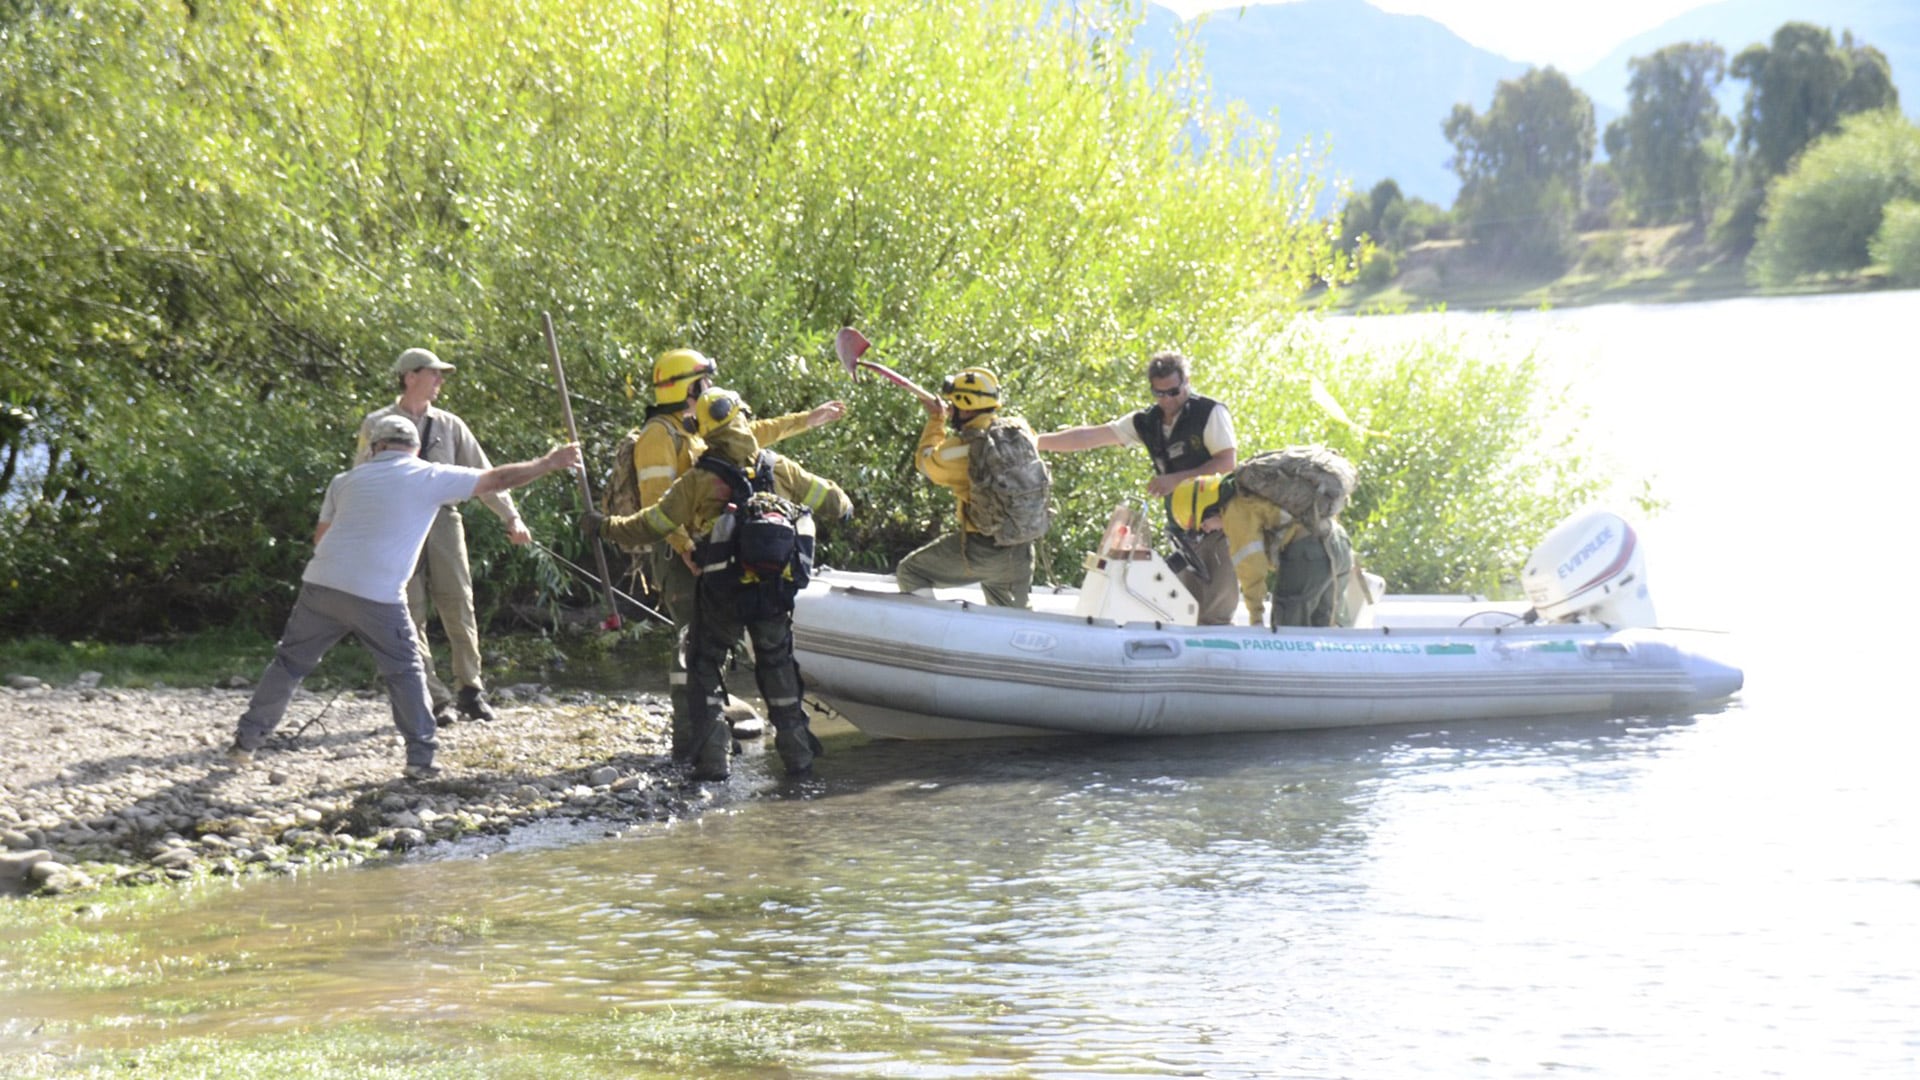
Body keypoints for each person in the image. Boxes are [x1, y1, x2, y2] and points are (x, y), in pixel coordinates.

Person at [230, 415, 580, 780]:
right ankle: (420, 760)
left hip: (321, 585)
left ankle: (245, 744)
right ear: (413, 448)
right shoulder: (428, 476)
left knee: (289, 664)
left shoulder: (343, 481)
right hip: (379, 596)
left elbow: (321, 538)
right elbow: (498, 479)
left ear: (374, 448)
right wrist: (549, 463)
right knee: (405, 672)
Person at [587, 387, 852, 781]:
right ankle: (798, 761)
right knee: (778, 667)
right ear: (745, 419)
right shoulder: (781, 467)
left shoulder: (699, 480)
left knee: (705, 666)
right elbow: (836, 503)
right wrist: (841, 508)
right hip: (773, 594)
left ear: (705, 432)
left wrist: (604, 526)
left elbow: (654, 523)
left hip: (721, 592)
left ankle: (713, 764)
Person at [354, 347, 523, 726]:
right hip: (395, 524)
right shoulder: (376, 424)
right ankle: (433, 697)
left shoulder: (450, 425)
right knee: (409, 612)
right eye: (434, 373)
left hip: (444, 519)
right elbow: (361, 478)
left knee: (458, 604)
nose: (440, 381)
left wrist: (511, 517)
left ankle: (471, 691)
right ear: (409, 376)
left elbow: (485, 476)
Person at [1036, 350, 1239, 624]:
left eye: (1173, 391)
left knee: (1214, 611)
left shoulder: (1210, 413)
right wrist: (1034, 441)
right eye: (1159, 393)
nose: (1166, 400)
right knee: (1187, 610)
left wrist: (1174, 480)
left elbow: (1227, 462)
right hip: (1182, 529)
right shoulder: (1147, 421)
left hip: (1217, 524)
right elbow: (1090, 436)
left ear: (1187, 381)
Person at [895, 367, 1046, 609]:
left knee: (911, 571)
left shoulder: (960, 449)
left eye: (953, 405)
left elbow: (925, 463)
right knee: (1011, 621)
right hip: (1020, 550)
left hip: (983, 549)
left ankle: (931, 633)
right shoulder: (1021, 430)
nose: (950, 409)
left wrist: (936, 420)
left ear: (965, 407)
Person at [1168, 472, 1359, 628]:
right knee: (1327, 625)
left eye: (1202, 523)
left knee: (1289, 627)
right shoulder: (1248, 494)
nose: (1205, 529)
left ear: (1207, 508)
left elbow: (1252, 569)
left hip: (1309, 553)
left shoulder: (1235, 512)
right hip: (1338, 542)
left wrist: (1256, 619)